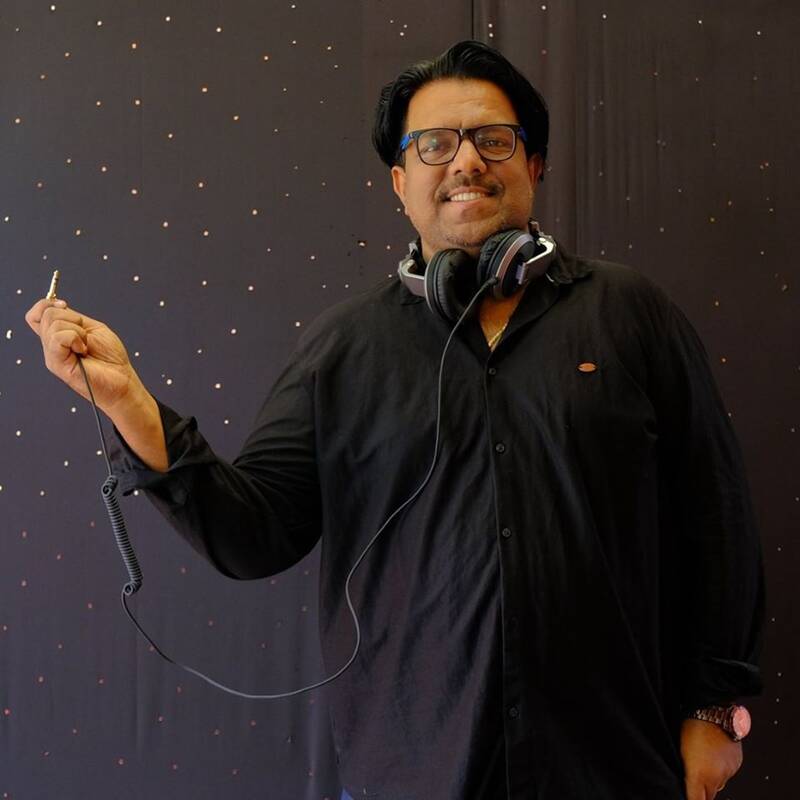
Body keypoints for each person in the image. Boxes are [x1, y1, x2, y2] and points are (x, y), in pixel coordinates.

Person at [26, 40, 763, 800]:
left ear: (535, 164)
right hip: (411, 773)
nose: (466, 161)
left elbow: (717, 518)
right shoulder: (345, 347)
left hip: (614, 764)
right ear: (401, 182)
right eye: (435, 144)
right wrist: (128, 402)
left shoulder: (630, 313)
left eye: (493, 139)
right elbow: (253, 535)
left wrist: (718, 710)